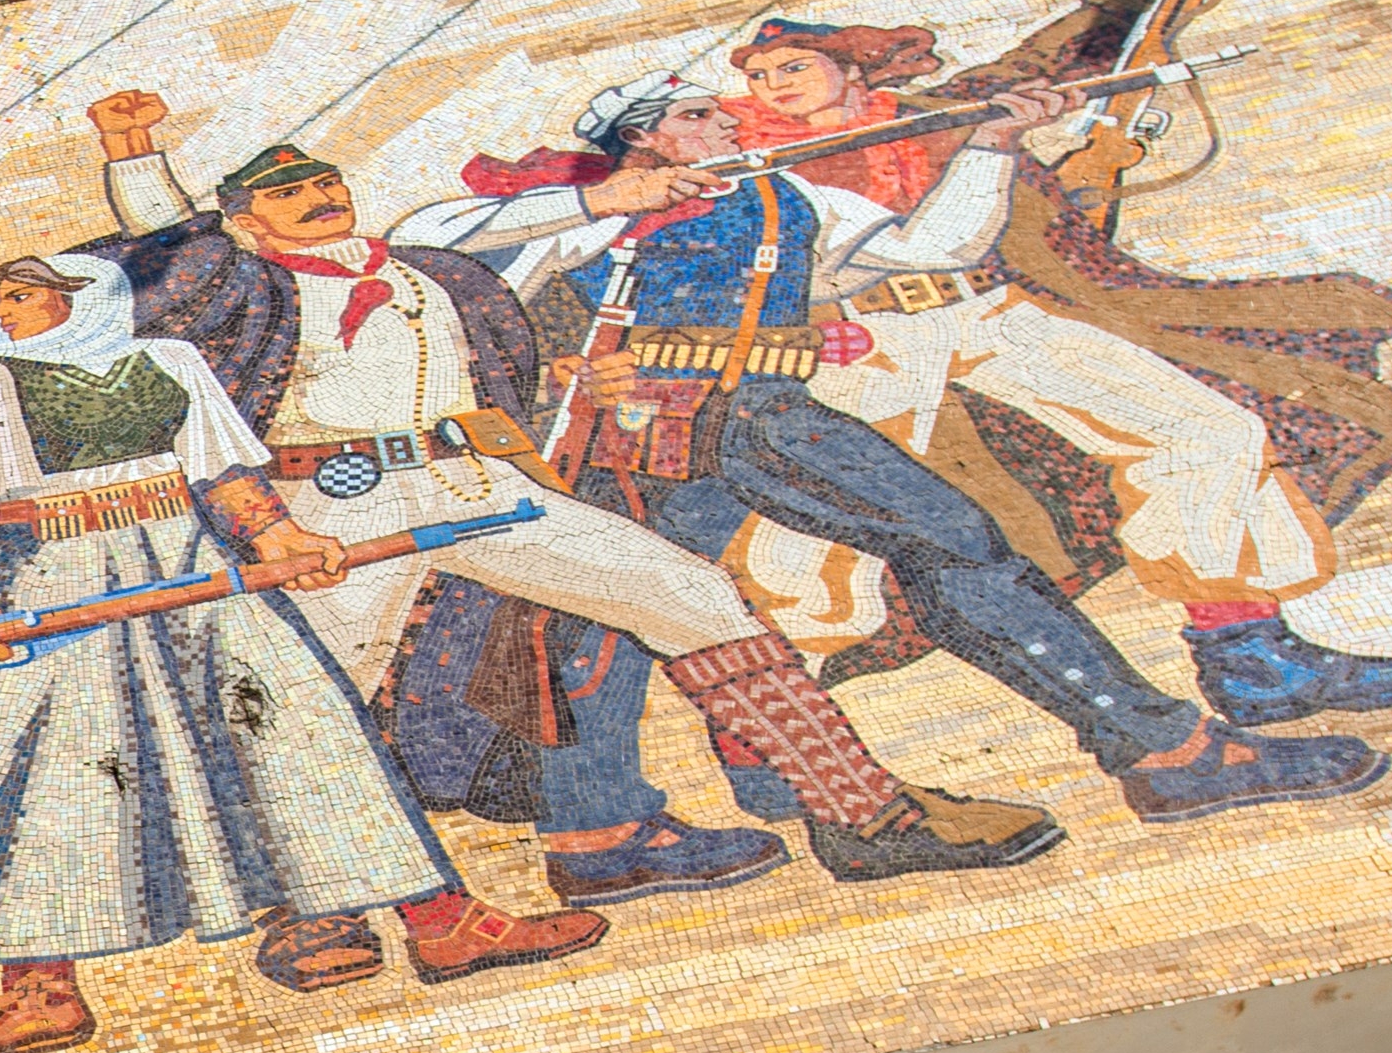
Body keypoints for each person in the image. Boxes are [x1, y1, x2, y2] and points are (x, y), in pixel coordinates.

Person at [88, 100, 1060, 886]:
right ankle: (286, 894)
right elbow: (176, 245)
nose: (317, 196)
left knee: (691, 593)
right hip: (339, 503)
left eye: (323, 181)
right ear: (246, 224)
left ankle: (862, 815)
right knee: (318, 690)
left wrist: (616, 207)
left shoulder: (429, 266)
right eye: (289, 193)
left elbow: (519, 246)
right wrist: (134, 153)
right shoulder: (252, 288)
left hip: (476, 481)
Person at [407, 83, 1385, 823]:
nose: (728, 128)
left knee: (713, 594)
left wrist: (990, 147)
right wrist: (603, 199)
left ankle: (755, 778)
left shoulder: (785, 196)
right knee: (927, 548)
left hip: (757, 403)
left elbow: (933, 253)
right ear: (647, 132)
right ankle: (1163, 757)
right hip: (651, 424)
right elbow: (428, 237)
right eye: (702, 117)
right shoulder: (595, 207)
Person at [0, 248, 586, 1053]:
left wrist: (281, 534)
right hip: (48, 576)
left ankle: (439, 921)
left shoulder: (168, 362)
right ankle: (40, 982)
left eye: (21, 297)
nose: (3, 312)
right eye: (3, 296)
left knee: (301, 736)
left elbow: (219, 473)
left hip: (191, 562)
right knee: (57, 772)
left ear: (82, 300)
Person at [720, 0, 1392, 727]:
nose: (774, 85)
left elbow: (1064, 55)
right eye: (758, 76)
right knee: (830, 521)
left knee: (1202, 432)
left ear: (852, 66)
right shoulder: (742, 160)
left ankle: (1246, 652)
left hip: (988, 310)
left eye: (793, 66)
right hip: (858, 340)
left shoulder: (941, 111)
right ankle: (776, 715)